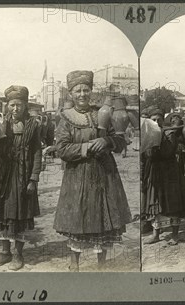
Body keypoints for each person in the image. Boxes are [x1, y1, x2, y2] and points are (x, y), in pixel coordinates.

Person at [53, 70, 132, 271]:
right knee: (77, 216)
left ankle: (101, 263)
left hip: (103, 174)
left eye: (86, 90)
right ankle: (74, 262)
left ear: (91, 91)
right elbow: (61, 149)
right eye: (77, 91)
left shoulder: (102, 114)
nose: (82, 94)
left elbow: (121, 141)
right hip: (77, 175)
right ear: (71, 93)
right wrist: (87, 147)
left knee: (102, 215)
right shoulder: (65, 120)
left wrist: (107, 140)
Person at [0, 86, 43, 271]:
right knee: (2, 212)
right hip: (1, 175)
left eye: (19, 105)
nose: (15, 109)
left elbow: (37, 152)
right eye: (12, 105)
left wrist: (33, 178)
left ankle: (18, 254)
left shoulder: (33, 125)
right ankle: (4, 252)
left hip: (22, 176)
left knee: (19, 213)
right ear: (7, 105)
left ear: (25, 105)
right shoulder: (1, 123)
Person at [141, 107, 185, 245]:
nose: (156, 122)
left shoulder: (169, 134)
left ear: (163, 121)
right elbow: (145, 155)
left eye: (158, 120)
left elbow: (167, 153)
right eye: (153, 120)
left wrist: (157, 141)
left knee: (172, 203)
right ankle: (156, 234)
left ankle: (174, 235)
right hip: (154, 171)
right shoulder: (148, 134)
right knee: (155, 202)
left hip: (169, 172)